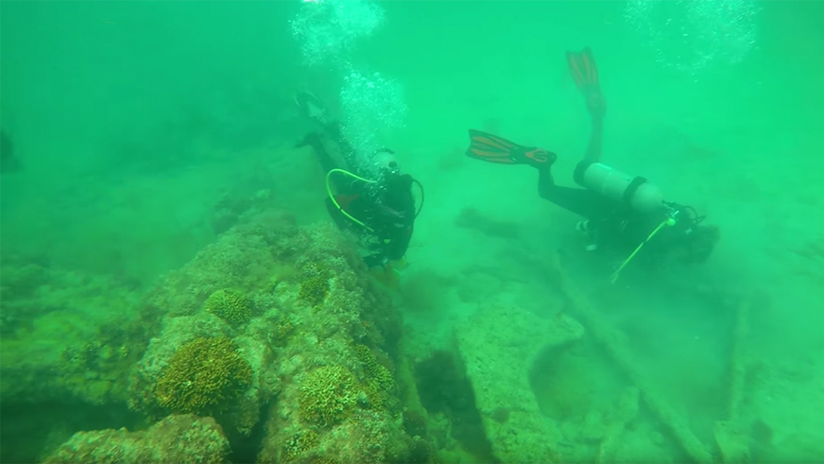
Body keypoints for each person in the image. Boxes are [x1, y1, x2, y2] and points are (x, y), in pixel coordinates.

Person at [465, 48, 720, 281]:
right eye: (686, 258)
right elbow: (609, 241)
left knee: (588, 165)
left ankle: (597, 118)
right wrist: (598, 246)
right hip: (600, 209)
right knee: (547, 192)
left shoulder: (683, 216)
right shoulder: (656, 248)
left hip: (619, 189)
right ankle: (542, 164)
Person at [294, 90, 423, 269]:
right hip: (361, 191)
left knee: (351, 158)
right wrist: (345, 230)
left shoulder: (404, 214)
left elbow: (396, 244)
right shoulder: (374, 208)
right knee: (337, 174)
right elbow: (330, 202)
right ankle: (315, 140)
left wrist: (382, 257)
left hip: (371, 183)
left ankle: (330, 127)